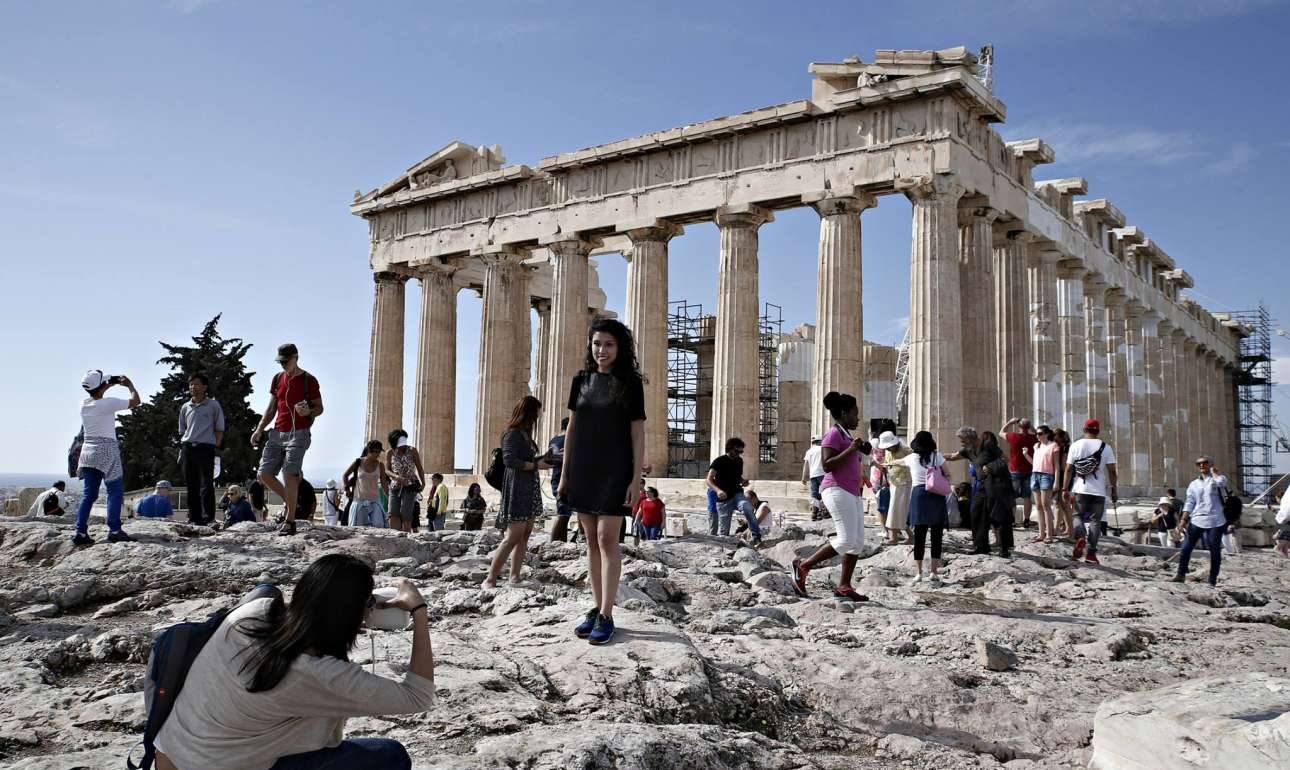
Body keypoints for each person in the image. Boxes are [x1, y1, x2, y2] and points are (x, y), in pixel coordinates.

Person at [153, 555, 435, 770]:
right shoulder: (321, 675)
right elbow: (417, 697)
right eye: (367, 603)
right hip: (223, 764)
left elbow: (304, 621)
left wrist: (340, 620)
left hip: (171, 753)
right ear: (351, 614)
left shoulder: (252, 614)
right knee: (390, 756)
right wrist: (419, 612)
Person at [557, 318, 646, 646]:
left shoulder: (629, 383)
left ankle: (608, 613)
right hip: (583, 467)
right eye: (597, 344)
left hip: (615, 468)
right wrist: (565, 474)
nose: (602, 350)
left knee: (608, 538)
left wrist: (635, 480)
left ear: (619, 347)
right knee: (590, 540)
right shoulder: (580, 380)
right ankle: (595, 607)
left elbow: (637, 432)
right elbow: (572, 429)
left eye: (608, 344)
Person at [790, 391, 872, 602]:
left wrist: (860, 448)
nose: (858, 418)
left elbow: (852, 457)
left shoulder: (846, 434)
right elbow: (827, 465)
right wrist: (851, 450)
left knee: (858, 542)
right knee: (845, 540)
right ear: (844, 414)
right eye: (855, 414)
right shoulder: (833, 434)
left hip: (851, 491)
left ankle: (844, 586)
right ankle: (803, 566)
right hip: (836, 489)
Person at [250, 344, 323, 537]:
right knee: (264, 473)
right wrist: (259, 429)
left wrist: (308, 411)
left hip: (299, 432)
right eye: (280, 361)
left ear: (295, 358)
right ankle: (291, 503)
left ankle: (290, 521)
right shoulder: (277, 379)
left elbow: (319, 408)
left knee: (290, 473)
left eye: (286, 361)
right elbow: (272, 407)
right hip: (277, 432)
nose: (283, 364)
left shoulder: (309, 380)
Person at [483, 397, 551, 588]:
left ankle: (515, 577)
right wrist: (535, 464)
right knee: (512, 537)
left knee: (525, 535)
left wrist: (545, 458)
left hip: (529, 488)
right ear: (530, 411)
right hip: (517, 490)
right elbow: (509, 460)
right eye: (539, 410)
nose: (541, 413)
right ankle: (490, 579)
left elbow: (527, 459)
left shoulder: (525, 435)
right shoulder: (512, 433)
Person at [72, 370, 140, 546]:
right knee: (115, 491)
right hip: (107, 450)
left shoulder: (84, 404)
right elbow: (136, 402)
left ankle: (80, 532)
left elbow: (97, 393)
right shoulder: (108, 403)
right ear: (102, 385)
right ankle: (115, 530)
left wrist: (109, 383)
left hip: (88, 452)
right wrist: (129, 385)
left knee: (89, 495)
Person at [1063, 418, 1118, 565]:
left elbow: (1068, 469)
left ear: (1084, 430)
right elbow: (1112, 471)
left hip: (1080, 488)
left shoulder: (1076, 445)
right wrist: (1114, 489)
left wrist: (1064, 488)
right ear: (1098, 431)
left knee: (1077, 516)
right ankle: (1091, 553)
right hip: (1099, 490)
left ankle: (1080, 537)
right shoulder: (1106, 447)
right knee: (1095, 521)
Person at [900, 431, 950, 585]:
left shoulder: (910, 458)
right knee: (936, 536)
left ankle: (919, 573)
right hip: (936, 494)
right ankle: (934, 572)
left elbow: (898, 462)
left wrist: (886, 463)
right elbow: (948, 473)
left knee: (919, 536)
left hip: (919, 495)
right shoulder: (937, 456)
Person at [1170, 456, 1229, 586]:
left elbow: (1221, 483)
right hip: (1197, 519)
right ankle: (1180, 574)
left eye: (1205, 463)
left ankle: (1212, 579)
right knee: (1186, 547)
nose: (1202, 465)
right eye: (1199, 464)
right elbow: (1190, 502)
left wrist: (1214, 473)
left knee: (1214, 550)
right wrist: (1183, 520)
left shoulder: (1217, 479)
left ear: (1211, 465)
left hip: (1215, 519)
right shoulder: (1193, 484)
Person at [177, 373, 225, 526]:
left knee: (207, 484)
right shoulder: (186, 407)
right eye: (191, 384)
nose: (193, 387)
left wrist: (214, 444)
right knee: (191, 484)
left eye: (197, 384)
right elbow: (182, 429)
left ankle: (208, 518)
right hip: (189, 448)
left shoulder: (213, 405)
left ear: (204, 387)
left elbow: (219, 428)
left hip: (206, 448)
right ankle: (194, 518)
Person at [385, 429, 425, 533]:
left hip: (410, 485)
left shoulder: (412, 450)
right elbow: (387, 470)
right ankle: (395, 537)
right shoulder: (390, 452)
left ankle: (407, 536)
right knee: (393, 513)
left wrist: (423, 482)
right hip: (395, 486)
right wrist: (397, 477)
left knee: (406, 513)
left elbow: (419, 467)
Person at [1001, 417, 1038, 528]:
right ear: (1028, 427)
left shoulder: (1014, 437)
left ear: (1019, 427)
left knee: (1012, 496)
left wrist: (1010, 422)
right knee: (1027, 496)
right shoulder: (1034, 438)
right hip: (1029, 469)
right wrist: (1030, 426)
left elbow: (1001, 432)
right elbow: (1038, 433)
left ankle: (1012, 520)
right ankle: (1026, 520)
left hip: (1015, 469)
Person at [344, 441, 390, 528]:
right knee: (358, 527)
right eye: (375, 452)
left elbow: (384, 483)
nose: (377, 454)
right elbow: (345, 475)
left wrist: (389, 498)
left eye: (379, 452)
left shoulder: (380, 465)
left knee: (379, 524)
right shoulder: (358, 462)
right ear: (369, 451)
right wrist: (347, 490)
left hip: (375, 500)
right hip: (359, 500)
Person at [876, 432, 911, 545]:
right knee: (895, 511)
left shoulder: (906, 450)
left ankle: (894, 538)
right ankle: (898, 537)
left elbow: (913, 462)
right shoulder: (888, 451)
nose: (887, 449)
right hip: (893, 483)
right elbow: (888, 464)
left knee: (897, 511)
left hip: (905, 483)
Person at [1029, 425, 1059, 544]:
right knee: (1038, 506)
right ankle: (1041, 533)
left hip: (1047, 475)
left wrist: (1056, 481)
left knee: (1046, 505)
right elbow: (1035, 462)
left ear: (1047, 434)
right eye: (1037, 433)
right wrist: (1026, 455)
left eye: (1040, 433)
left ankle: (1049, 534)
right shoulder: (1036, 446)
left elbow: (1056, 465)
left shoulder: (1053, 445)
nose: (1038, 436)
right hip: (1035, 474)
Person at [547, 417, 571, 541]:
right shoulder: (568, 440)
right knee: (563, 514)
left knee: (565, 514)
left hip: (556, 478)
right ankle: (552, 544)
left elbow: (549, 459)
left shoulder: (553, 440)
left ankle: (561, 542)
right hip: (565, 480)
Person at [1051, 428, 1074, 537]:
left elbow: (1064, 466)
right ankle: (1060, 528)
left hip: (1064, 477)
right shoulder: (1058, 447)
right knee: (1057, 503)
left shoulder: (1066, 448)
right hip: (1059, 476)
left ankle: (1068, 530)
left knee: (1063, 503)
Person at [801, 436, 826, 521]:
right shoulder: (823, 449)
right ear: (820, 441)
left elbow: (806, 465)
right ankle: (824, 511)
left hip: (813, 475)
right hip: (823, 473)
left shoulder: (809, 451)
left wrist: (804, 477)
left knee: (814, 495)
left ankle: (814, 513)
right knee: (825, 493)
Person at [1274, 491, 1290, 558]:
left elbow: (1283, 520)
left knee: (1276, 549)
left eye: (1276, 498)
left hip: (1284, 532)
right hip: (1288, 532)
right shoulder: (1287, 507)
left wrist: (1277, 532)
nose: (1276, 500)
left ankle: (1287, 560)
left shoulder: (1284, 507)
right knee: (1284, 550)